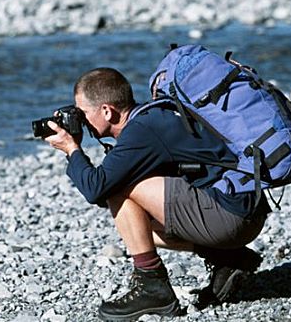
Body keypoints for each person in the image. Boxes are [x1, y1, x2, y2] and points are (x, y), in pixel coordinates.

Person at [44, 67, 270, 321]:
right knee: (138, 228)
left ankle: (153, 287)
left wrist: (72, 149)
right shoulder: (154, 117)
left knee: (119, 191)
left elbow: (96, 188)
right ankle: (228, 257)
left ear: (107, 111)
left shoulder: (143, 132)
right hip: (243, 213)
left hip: (232, 218)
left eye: (83, 113)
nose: (82, 121)